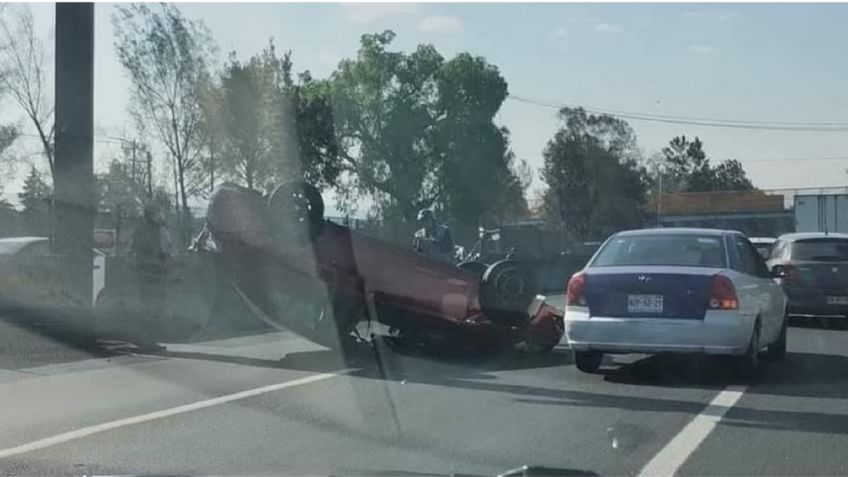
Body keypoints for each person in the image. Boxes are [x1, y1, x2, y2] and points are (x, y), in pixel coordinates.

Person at [129, 204, 173, 352]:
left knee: (146, 307)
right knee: (155, 308)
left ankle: (144, 339)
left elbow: (133, 252)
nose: (162, 215)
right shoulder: (158, 231)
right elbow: (164, 252)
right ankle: (149, 341)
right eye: (160, 213)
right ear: (154, 215)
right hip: (155, 274)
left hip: (143, 274)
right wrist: (166, 265)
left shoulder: (139, 230)